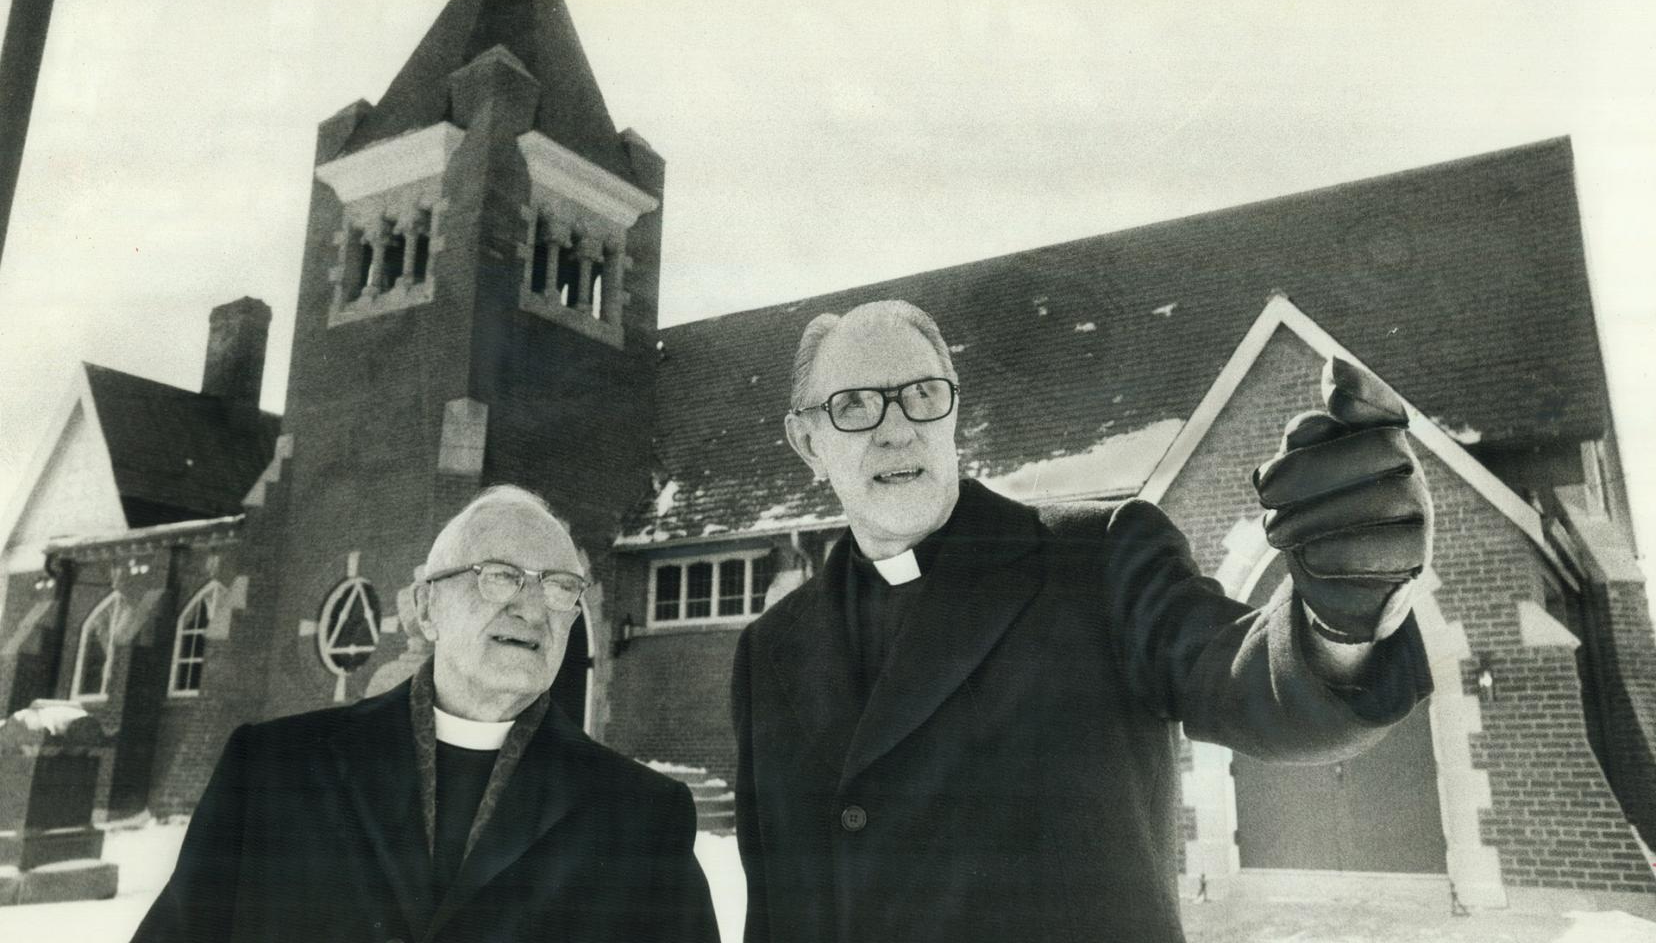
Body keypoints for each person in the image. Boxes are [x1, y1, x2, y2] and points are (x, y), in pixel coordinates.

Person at [731, 299, 1435, 943]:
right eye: (853, 405)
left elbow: (1238, 670)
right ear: (808, 443)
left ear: (953, 414)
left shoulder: (1094, 557)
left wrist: (1342, 618)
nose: (896, 431)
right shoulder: (769, 650)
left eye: (920, 396)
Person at [135, 485, 719, 943]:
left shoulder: (641, 817)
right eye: (499, 577)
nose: (532, 608)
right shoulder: (272, 772)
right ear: (426, 607)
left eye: (560, 588)